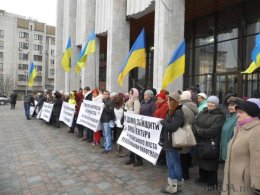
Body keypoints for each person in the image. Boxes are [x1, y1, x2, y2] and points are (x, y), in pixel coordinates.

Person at [222, 101, 260, 195]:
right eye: (237, 112)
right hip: (232, 178)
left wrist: (257, 186)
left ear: (251, 114)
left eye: (241, 112)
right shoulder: (240, 128)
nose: (237, 115)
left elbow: (257, 160)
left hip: (244, 182)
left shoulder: (256, 131)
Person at [192, 95, 225, 190]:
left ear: (217, 105)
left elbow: (212, 131)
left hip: (211, 143)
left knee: (211, 163)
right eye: (209, 102)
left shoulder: (219, 116)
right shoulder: (202, 112)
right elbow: (195, 123)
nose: (210, 104)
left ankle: (212, 182)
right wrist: (199, 130)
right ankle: (203, 177)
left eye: (213, 103)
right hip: (200, 141)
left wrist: (199, 130)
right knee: (201, 160)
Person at [160, 91, 185, 194]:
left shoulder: (178, 112)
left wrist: (163, 122)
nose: (168, 102)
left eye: (170, 100)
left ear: (175, 101)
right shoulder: (171, 111)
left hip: (174, 142)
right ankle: (174, 185)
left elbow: (173, 127)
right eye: (168, 100)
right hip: (169, 142)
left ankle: (175, 186)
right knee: (171, 164)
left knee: (175, 164)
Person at [179, 90, 198, 180]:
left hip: (183, 131)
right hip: (189, 130)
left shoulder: (183, 107)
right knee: (186, 153)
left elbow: (181, 120)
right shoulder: (192, 105)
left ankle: (184, 174)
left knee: (183, 154)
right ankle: (185, 173)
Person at [220, 97, 242, 161]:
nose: (229, 107)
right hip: (226, 152)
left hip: (234, 154)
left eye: (232, 105)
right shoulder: (229, 116)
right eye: (229, 105)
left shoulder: (239, 118)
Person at [124, 88, 141, 167]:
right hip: (129, 123)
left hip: (135, 124)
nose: (130, 94)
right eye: (130, 93)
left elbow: (137, 112)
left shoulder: (136, 101)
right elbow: (126, 108)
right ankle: (131, 158)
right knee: (130, 141)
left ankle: (139, 160)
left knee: (136, 142)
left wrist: (128, 112)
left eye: (131, 93)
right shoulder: (129, 100)